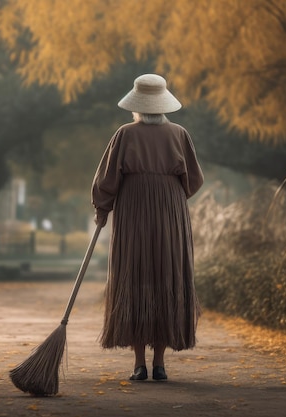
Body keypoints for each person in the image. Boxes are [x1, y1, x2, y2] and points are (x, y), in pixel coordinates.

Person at [91, 73, 204, 381]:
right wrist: (168, 194)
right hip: (171, 212)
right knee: (166, 274)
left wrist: (102, 209)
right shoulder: (179, 134)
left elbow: (107, 180)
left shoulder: (125, 134)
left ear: (137, 105)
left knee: (136, 275)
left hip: (133, 211)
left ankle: (139, 365)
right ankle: (160, 364)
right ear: (164, 104)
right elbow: (193, 180)